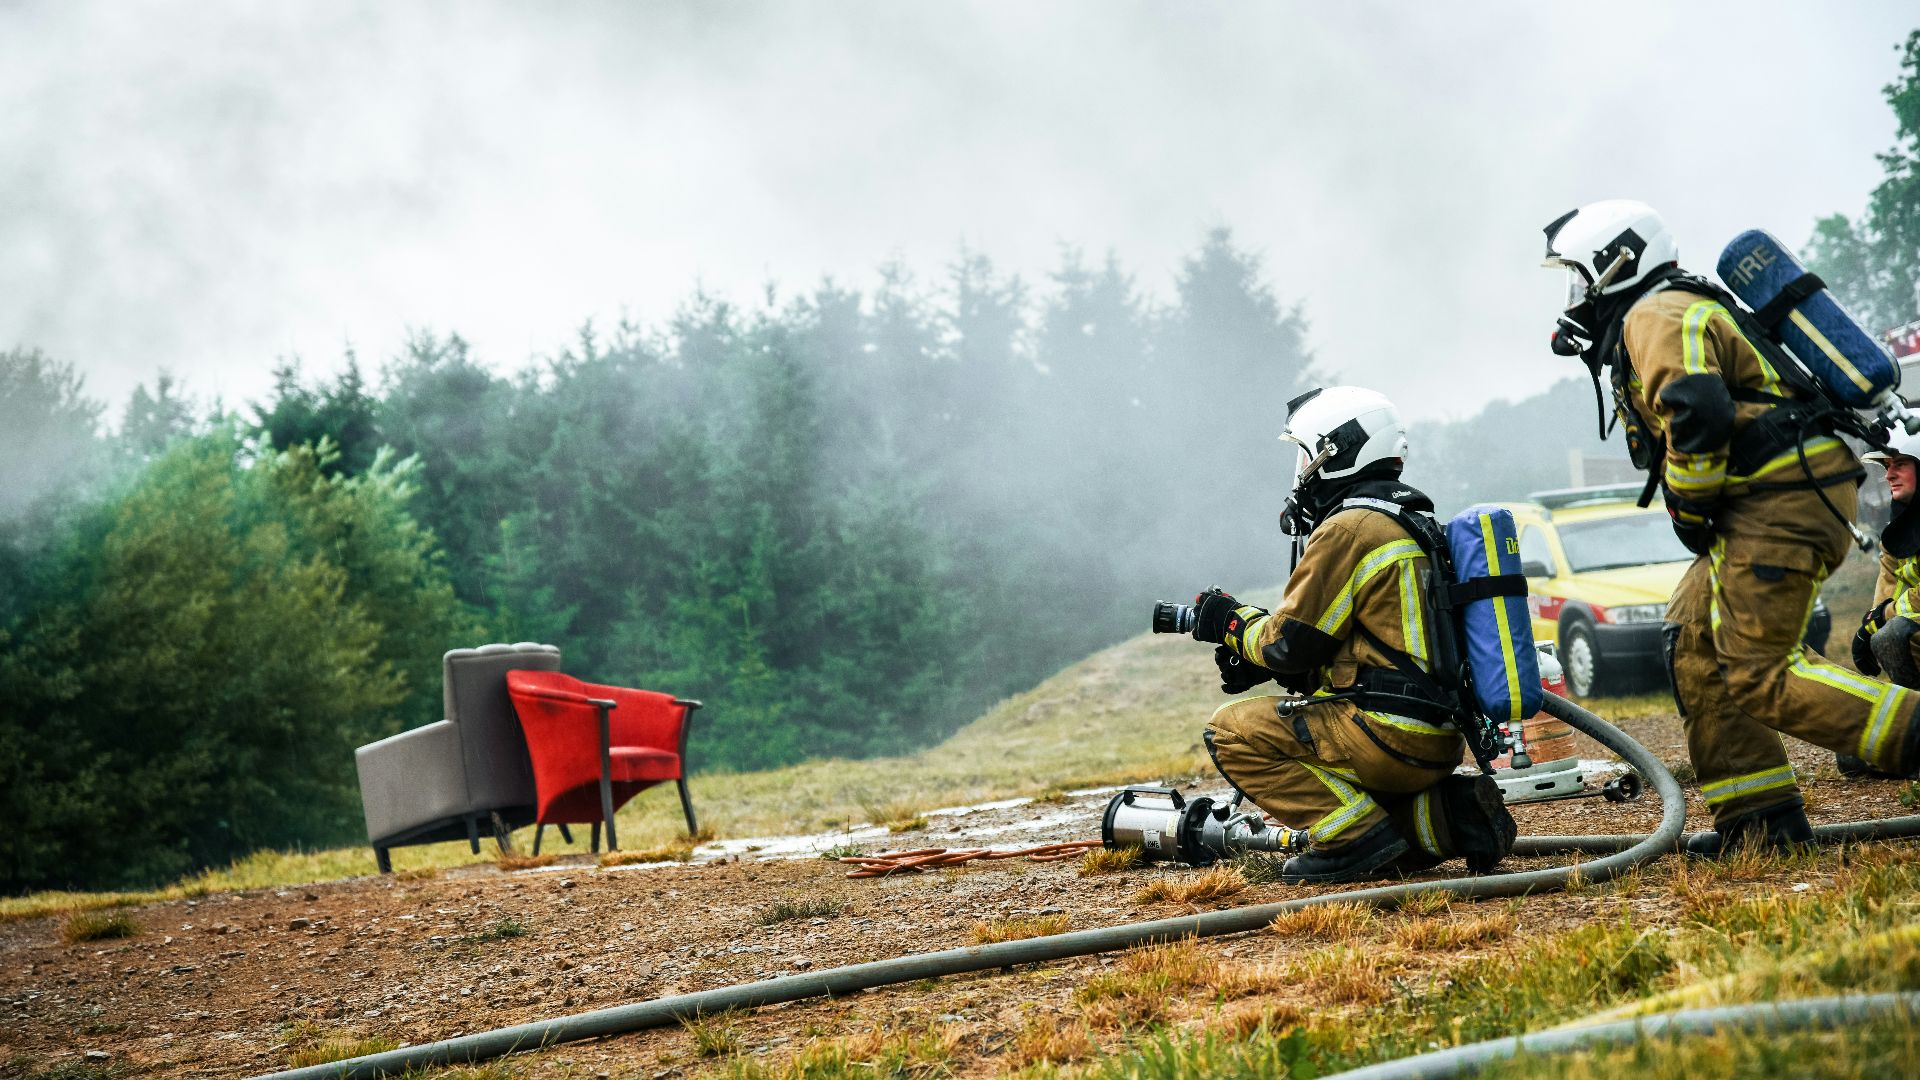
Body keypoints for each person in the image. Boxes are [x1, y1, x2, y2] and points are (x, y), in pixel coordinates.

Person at [1539, 199, 1920, 853]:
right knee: (1693, 642)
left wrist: (1688, 507)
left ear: (1616, 263)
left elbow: (1696, 407)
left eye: (1580, 275)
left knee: (1758, 670)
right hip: (1765, 499)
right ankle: (1760, 821)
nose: (1576, 295)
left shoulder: (1654, 311)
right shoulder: (1667, 309)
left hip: (1781, 498)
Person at [1192, 385, 1517, 885]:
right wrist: (1276, 664)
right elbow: (1347, 645)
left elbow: (1285, 644)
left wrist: (1229, 623)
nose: (1301, 473)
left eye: (1305, 456)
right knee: (1367, 801)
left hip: (1384, 736)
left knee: (1231, 731)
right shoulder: (1409, 521)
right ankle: (1451, 819)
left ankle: (1350, 838)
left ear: (1334, 452)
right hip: (1438, 738)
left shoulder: (1349, 528)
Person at [1843, 430, 1920, 777]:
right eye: (1887, 466)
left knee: (1890, 634)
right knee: (1850, 758)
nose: (1888, 475)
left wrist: (1886, 617)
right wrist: (1868, 624)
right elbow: (1885, 592)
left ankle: (1915, 736)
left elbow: (1892, 613)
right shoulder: (1901, 528)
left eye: (1899, 465)